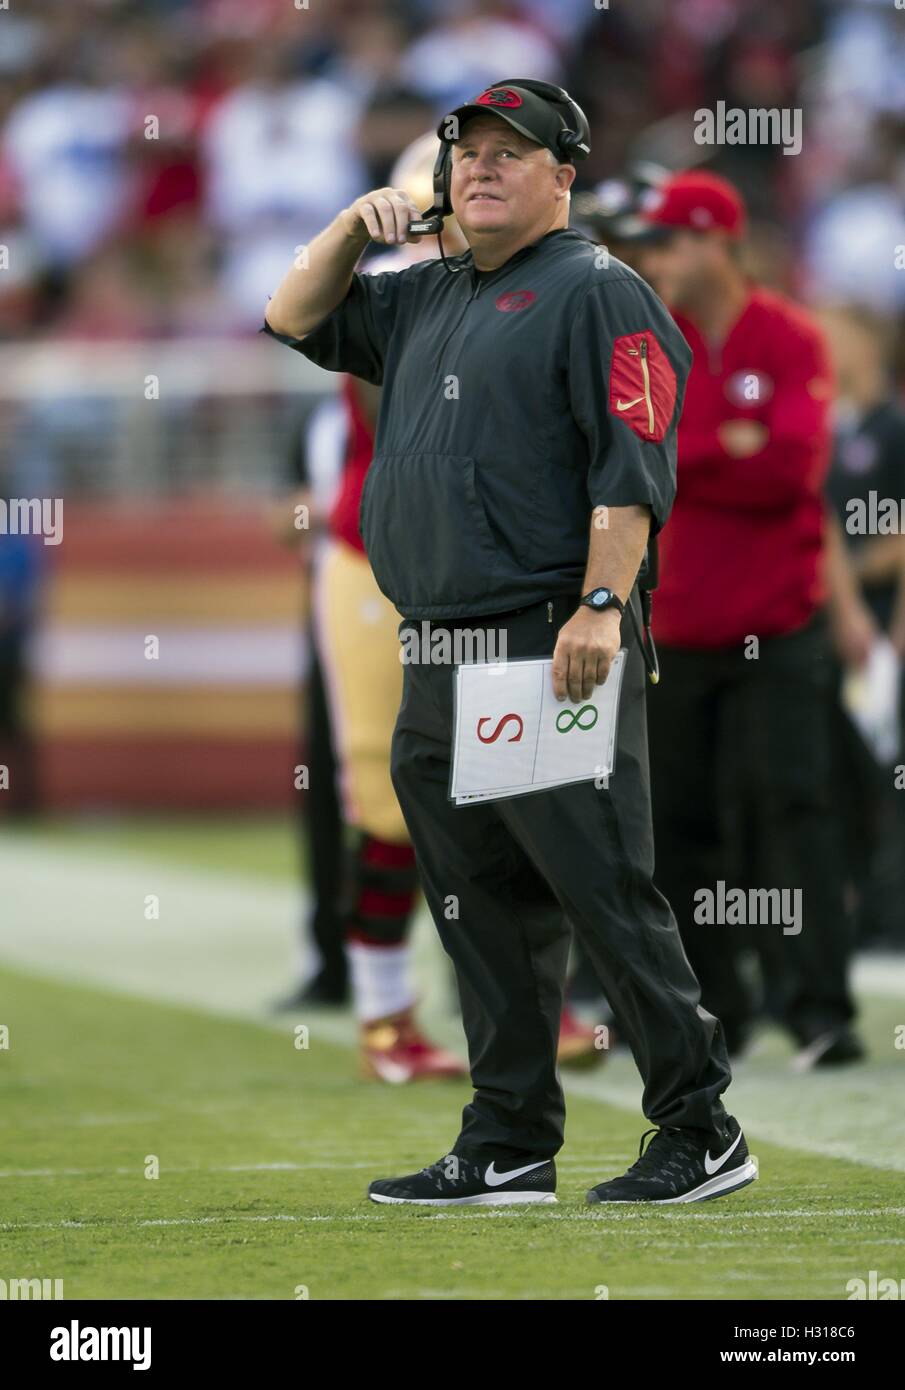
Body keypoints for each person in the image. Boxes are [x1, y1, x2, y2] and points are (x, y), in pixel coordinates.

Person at [263, 80, 754, 1206]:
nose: (480, 169)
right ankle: (508, 1139)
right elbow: (292, 317)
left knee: (593, 884)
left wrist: (596, 605)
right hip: (436, 641)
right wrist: (348, 224)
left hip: (542, 632)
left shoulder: (597, 291)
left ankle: (701, 1123)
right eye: (466, 152)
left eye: (509, 153)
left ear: (562, 175)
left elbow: (630, 467)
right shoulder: (429, 291)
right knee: (478, 900)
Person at [635, 171, 863, 1068]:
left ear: (716, 242)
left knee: (795, 812)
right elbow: (644, 456)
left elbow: (792, 469)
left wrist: (704, 455)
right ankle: (712, 1007)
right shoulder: (653, 338)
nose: (656, 259)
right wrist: (726, 444)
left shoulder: (789, 336)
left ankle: (815, 1008)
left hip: (781, 621)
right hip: (679, 623)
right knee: (680, 820)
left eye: (670, 240)